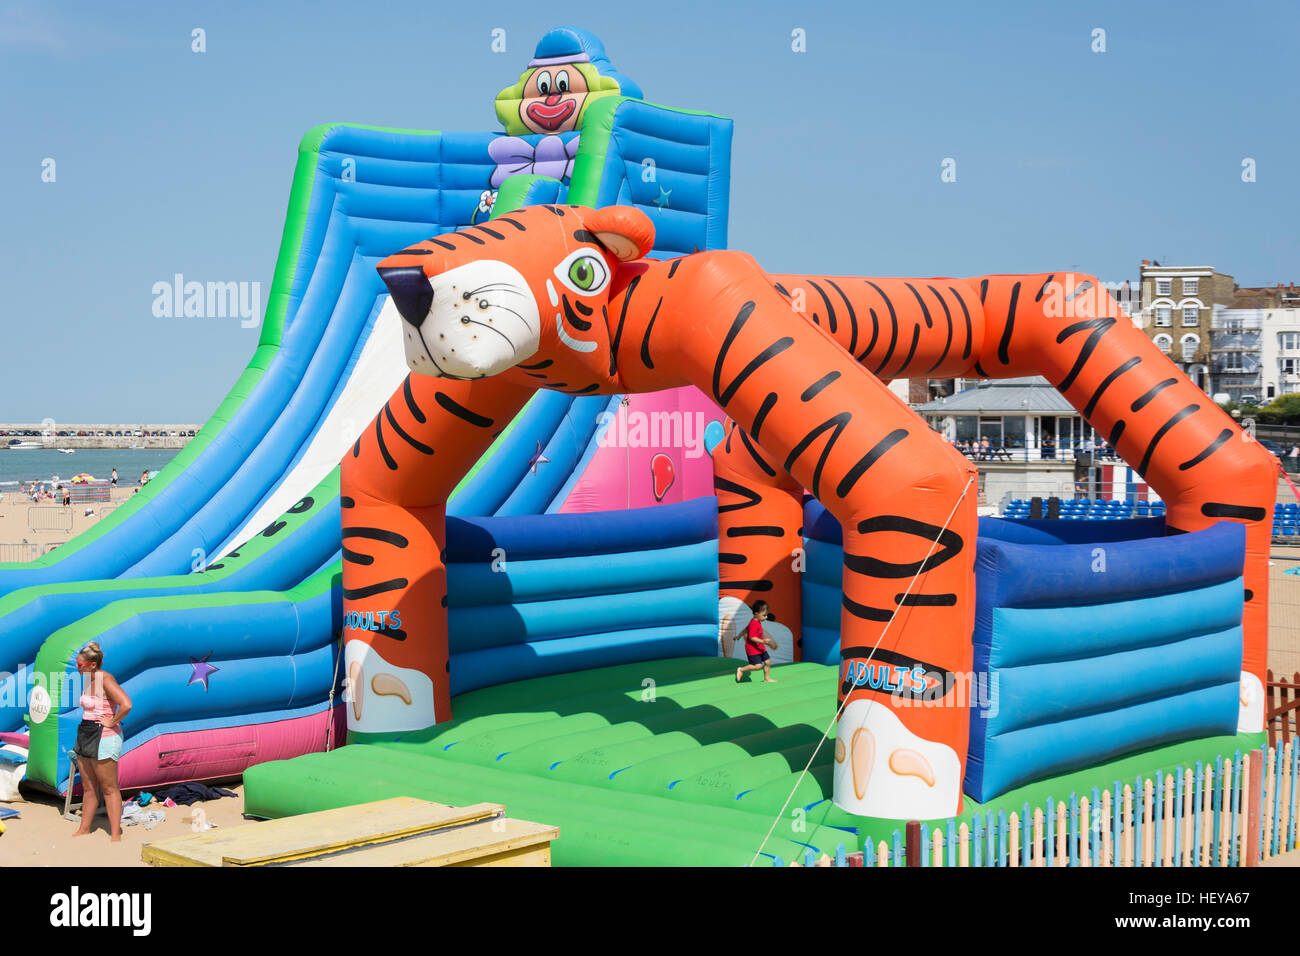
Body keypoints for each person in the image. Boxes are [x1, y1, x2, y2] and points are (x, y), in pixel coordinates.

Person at [71, 642, 132, 842]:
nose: (77, 668)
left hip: (105, 736)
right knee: (88, 787)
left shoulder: (105, 679)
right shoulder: (89, 679)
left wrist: (112, 721)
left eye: (80, 665)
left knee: (109, 787)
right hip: (86, 732)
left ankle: (115, 835)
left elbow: (126, 704)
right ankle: (84, 828)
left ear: (92, 665)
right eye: (76, 664)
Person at [735, 600, 778, 684]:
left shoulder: (755, 621)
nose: (766, 617)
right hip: (752, 649)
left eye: (766, 615)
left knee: (767, 661)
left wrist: (739, 636)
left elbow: (746, 629)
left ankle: (767, 678)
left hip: (759, 647)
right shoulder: (754, 624)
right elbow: (751, 637)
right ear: (756, 613)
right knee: (758, 666)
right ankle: (741, 669)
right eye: (764, 615)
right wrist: (763, 641)